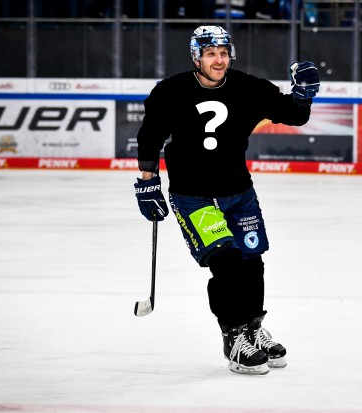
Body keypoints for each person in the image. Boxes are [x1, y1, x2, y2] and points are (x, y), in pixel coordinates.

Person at [134, 25, 319, 375]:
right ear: (196, 57)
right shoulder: (170, 91)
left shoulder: (248, 87)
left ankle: (252, 327)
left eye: (223, 53)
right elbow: (150, 138)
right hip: (193, 196)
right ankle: (233, 335)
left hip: (239, 192)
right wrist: (147, 183)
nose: (219, 60)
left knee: (253, 262)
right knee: (227, 261)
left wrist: (303, 94)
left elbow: (294, 115)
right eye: (210, 54)